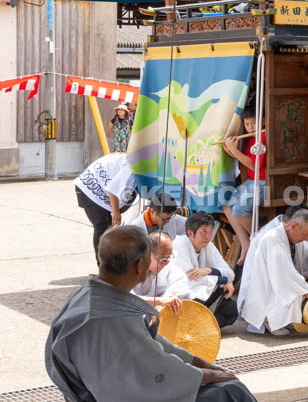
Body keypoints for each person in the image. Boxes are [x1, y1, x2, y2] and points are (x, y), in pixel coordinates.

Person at [45, 225, 256, 402]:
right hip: (115, 394)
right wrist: (208, 374)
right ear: (140, 265)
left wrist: (201, 364)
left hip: (106, 386)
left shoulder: (83, 295)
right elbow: (158, 370)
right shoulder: (113, 319)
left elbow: (156, 345)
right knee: (230, 392)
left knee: (222, 382)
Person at [239, 208, 308, 335]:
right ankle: (269, 318)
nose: (307, 238)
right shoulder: (273, 238)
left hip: (284, 284)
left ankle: (285, 317)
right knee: (303, 291)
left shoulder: (295, 239)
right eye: (306, 234)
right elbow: (283, 273)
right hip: (267, 292)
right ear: (294, 226)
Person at [173, 212, 238, 329]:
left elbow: (230, 273)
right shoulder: (179, 245)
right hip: (179, 299)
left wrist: (209, 270)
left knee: (231, 309)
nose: (208, 237)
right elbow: (190, 280)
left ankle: (204, 327)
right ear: (190, 233)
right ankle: (192, 326)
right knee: (217, 286)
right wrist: (223, 279)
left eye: (210, 231)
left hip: (200, 293)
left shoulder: (208, 246)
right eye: (203, 232)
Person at [73, 152, 138, 264]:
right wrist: (116, 212)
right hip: (89, 189)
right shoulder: (131, 168)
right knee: (102, 227)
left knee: (108, 229)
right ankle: (103, 266)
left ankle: (107, 263)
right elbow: (112, 190)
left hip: (100, 189)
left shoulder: (138, 163)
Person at [221, 109, 267, 264]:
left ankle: (260, 240)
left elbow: (254, 167)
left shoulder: (263, 138)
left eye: (254, 123)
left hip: (264, 182)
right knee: (227, 206)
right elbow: (245, 159)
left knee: (240, 209)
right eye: (247, 124)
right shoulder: (253, 138)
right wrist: (230, 151)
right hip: (252, 182)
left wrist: (234, 150)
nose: (251, 127)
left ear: (264, 121)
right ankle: (245, 243)